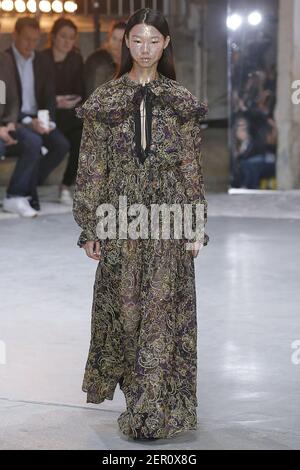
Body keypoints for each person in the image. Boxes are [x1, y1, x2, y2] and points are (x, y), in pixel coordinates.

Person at [73, 8, 209, 441]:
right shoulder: (105, 101)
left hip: (169, 220)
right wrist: (90, 225)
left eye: (153, 40)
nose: (145, 49)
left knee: (160, 316)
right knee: (127, 313)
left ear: (166, 44)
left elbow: (191, 166)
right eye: (137, 40)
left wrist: (194, 222)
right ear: (125, 43)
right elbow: (90, 168)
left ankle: (152, 413)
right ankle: (139, 400)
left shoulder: (181, 101)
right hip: (121, 218)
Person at [4, 16, 70, 213]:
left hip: (38, 116)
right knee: (34, 141)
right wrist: (24, 120)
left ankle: (28, 184)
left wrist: (47, 120)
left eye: (35, 40)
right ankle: (24, 193)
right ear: (14, 35)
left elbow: (49, 95)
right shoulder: (5, 60)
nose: (31, 45)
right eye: (26, 39)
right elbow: (5, 101)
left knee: (61, 145)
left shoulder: (42, 61)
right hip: (15, 118)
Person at [42, 18, 85, 205]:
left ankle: (66, 185)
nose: (67, 42)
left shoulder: (76, 59)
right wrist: (54, 101)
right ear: (53, 36)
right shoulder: (41, 58)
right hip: (46, 115)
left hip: (68, 114)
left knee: (82, 136)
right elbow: (38, 91)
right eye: (63, 37)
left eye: (71, 38)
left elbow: (80, 91)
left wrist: (69, 100)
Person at [0, 49, 39, 217]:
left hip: (5, 123)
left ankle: (15, 196)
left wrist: (9, 121)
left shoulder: (4, 59)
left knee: (32, 142)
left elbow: (11, 95)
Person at [84, 21, 126, 97]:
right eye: (114, 38)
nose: (117, 44)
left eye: (121, 40)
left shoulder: (130, 60)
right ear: (109, 38)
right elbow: (94, 93)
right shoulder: (97, 60)